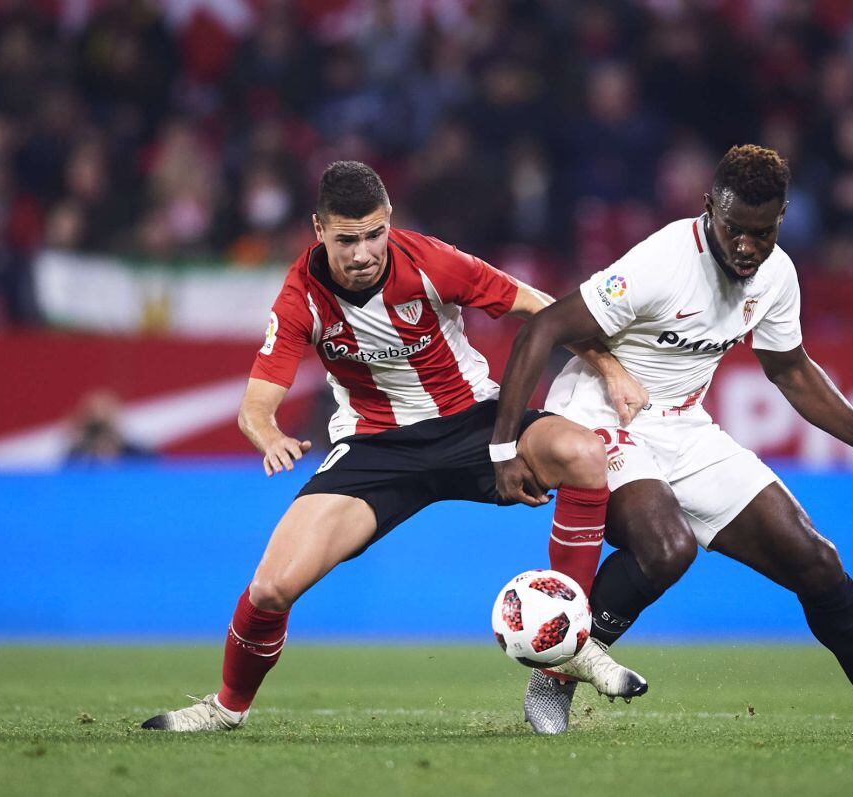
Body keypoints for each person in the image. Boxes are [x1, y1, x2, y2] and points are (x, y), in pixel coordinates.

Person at [142, 161, 648, 732]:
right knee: (271, 587)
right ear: (318, 231)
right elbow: (255, 406)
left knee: (582, 453)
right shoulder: (300, 297)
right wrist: (271, 435)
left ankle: (567, 649)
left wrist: (607, 366)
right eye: (346, 240)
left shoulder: (430, 262)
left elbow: (537, 307)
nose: (362, 253)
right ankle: (226, 708)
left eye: (374, 234)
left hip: (473, 425)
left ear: (390, 222)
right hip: (376, 450)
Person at [491, 145, 853, 737]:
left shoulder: (777, 275)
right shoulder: (663, 261)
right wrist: (505, 449)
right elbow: (543, 328)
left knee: (816, 560)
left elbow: (789, 369)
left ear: (782, 218)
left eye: (761, 234)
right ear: (709, 206)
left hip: (684, 428)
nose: (746, 247)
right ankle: (554, 677)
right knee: (668, 548)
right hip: (599, 416)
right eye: (734, 229)